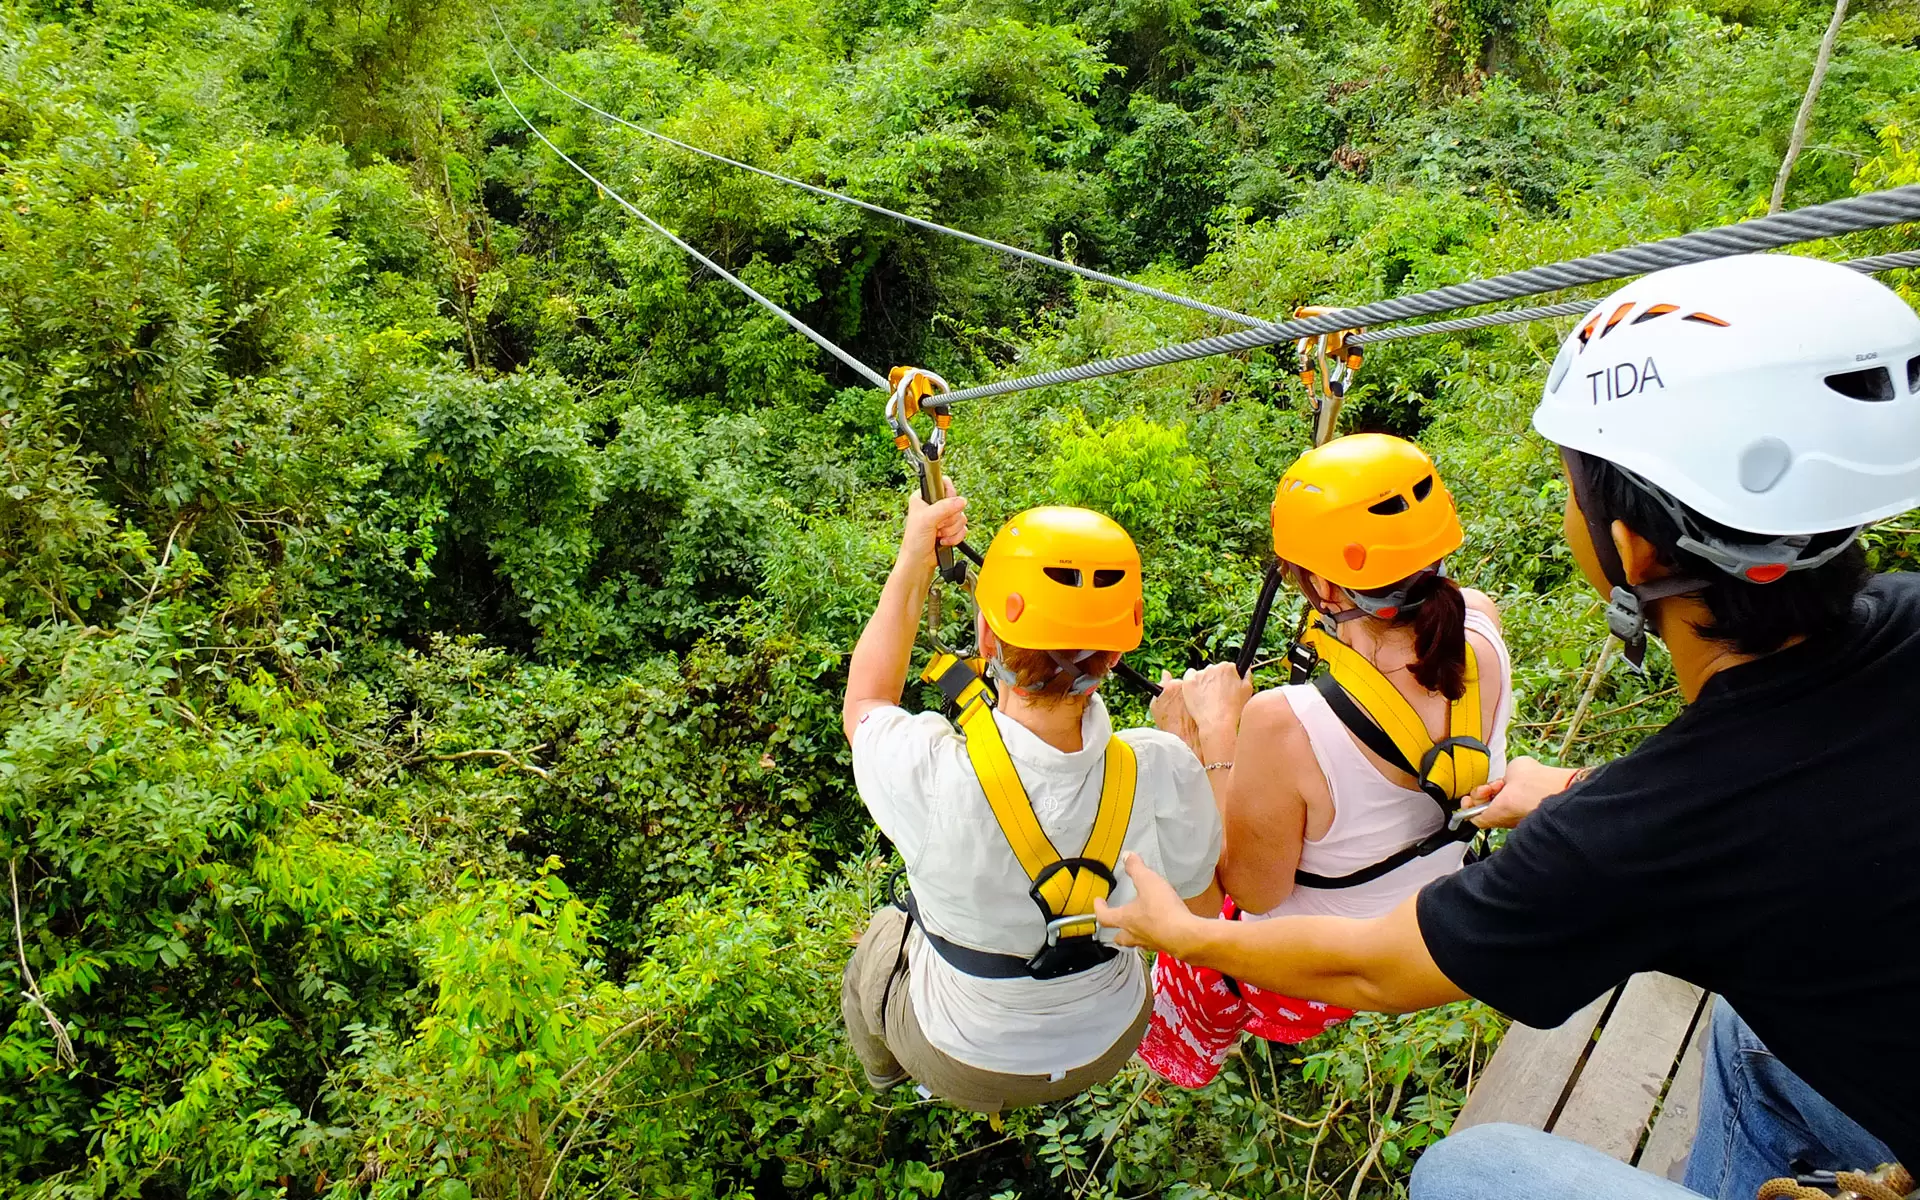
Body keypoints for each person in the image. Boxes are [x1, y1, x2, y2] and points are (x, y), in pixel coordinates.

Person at [1092, 253, 1920, 1192]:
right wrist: (1573, 789)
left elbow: (1362, 962)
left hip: (1325, 933)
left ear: (1631, 547)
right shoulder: (1487, 639)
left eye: (1575, 485)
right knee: (1750, 1033)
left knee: (1466, 1171)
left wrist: (1185, 910)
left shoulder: (1645, 833)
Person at [1138, 433, 1513, 1087]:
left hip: (1315, 970)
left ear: (1319, 583)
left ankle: (1181, 1048)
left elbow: (1250, 892)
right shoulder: (1480, 626)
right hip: (1431, 918)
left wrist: (1206, 734)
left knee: (1185, 881)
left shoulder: (1287, 723)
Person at [840, 489, 1222, 1113]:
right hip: (1113, 1035)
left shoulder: (934, 774)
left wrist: (915, 554)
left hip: (965, 1057)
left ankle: (887, 1079)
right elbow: (1204, 910)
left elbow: (867, 705)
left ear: (987, 636)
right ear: (1118, 651)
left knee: (883, 939)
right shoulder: (1161, 767)